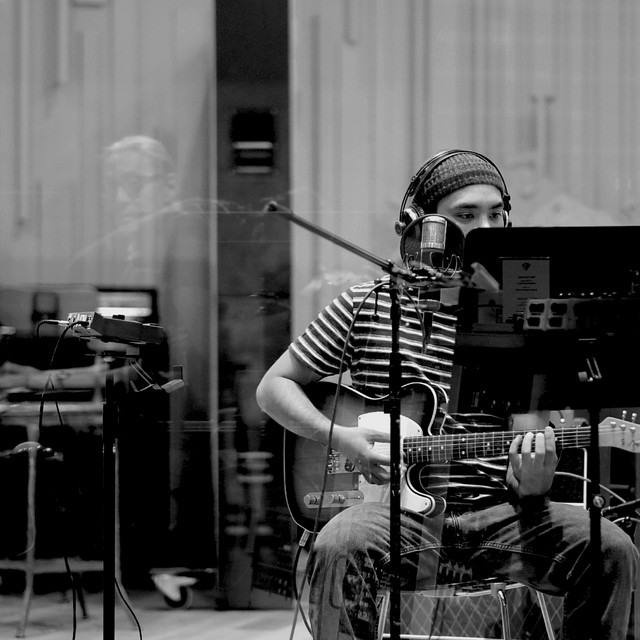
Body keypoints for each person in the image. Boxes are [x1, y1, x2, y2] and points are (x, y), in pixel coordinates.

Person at [255, 149, 639, 640]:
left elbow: (527, 471)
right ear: (423, 227)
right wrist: (340, 437)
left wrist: (534, 475)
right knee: (338, 545)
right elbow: (273, 387)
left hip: (501, 518)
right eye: (467, 215)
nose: (486, 228)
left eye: (496, 214)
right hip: (392, 516)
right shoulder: (365, 304)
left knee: (609, 547)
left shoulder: (522, 315)